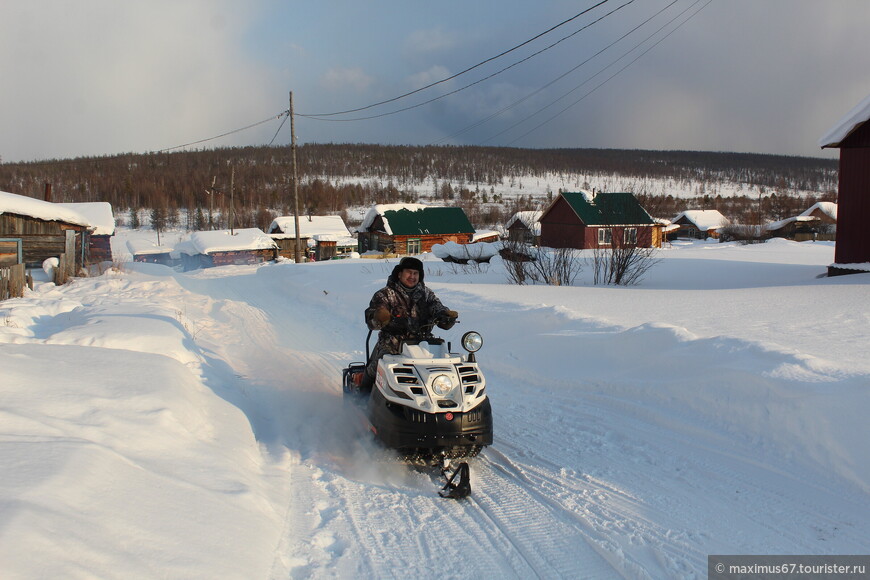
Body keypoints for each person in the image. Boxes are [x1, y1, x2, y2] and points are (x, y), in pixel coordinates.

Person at [359, 256, 458, 392]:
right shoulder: (385, 294)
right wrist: (379, 317)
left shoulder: (426, 294)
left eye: (416, 273)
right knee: (379, 366)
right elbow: (372, 318)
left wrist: (444, 316)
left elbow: (437, 306)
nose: (412, 276)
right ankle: (363, 394)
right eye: (409, 272)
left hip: (424, 344)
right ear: (399, 274)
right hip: (393, 344)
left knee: (442, 365)